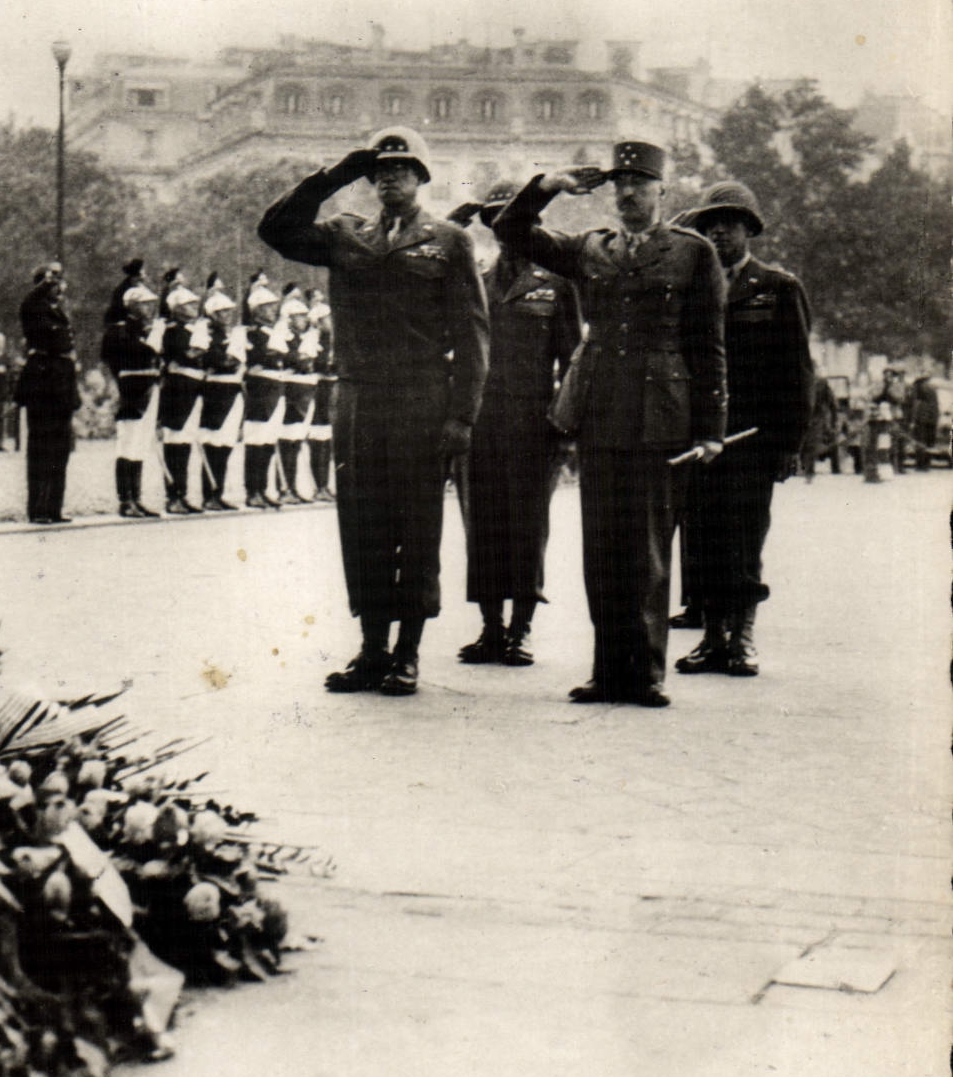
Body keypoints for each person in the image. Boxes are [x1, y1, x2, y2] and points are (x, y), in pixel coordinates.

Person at [492, 140, 727, 707]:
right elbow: (511, 229)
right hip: (599, 410)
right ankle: (606, 670)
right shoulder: (590, 248)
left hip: (659, 414)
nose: (627, 194)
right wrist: (548, 185)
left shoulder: (692, 253)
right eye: (620, 185)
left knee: (645, 548)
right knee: (602, 547)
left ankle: (644, 673)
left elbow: (708, 345)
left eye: (639, 185)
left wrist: (711, 428)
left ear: (661, 192)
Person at [259, 126, 489, 696]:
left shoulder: (450, 240)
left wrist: (462, 416)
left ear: (422, 177)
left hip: (420, 398)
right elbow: (275, 230)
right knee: (362, 523)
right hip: (358, 397)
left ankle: (407, 653)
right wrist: (335, 175)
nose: (391, 178)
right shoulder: (344, 234)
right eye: (380, 170)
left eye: (402, 169)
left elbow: (473, 332)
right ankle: (370, 649)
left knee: (415, 524)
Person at [668, 181, 812, 680]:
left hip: (752, 441)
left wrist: (790, 444)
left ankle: (743, 637)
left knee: (744, 541)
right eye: (710, 224)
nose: (720, 231)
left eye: (730, 222)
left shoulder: (777, 287)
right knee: (702, 540)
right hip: (699, 438)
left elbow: (797, 373)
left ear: (749, 229)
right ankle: (711, 638)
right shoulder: (691, 289)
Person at [446, 180, 583, 668]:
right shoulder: (476, 281)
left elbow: (573, 360)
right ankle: (490, 628)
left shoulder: (556, 283)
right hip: (479, 420)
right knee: (479, 522)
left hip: (533, 422)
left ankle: (521, 629)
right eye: (493, 221)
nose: (502, 232)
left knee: (527, 526)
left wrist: (564, 427)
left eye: (509, 219)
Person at [16, 262, 80, 524]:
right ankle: (39, 507)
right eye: (52, 283)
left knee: (60, 448)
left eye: (59, 283)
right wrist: (45, 281)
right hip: (42, 383)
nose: (58, 288)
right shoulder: (33, 309)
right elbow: (28, 302)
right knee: (41, 446)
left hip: (61, 384)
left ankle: (54, 506)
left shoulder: (59, 313)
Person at [102, 283, 162, 517]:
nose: (149, 309)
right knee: (127, 444)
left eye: (150, 304)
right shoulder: (121, 330)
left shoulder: (148, 329)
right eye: (144, 304)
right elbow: (120, 357)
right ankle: (125, 499)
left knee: (141, 444)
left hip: (150, 386)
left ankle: (136, 497)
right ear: (132, 306)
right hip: (131, 389)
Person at [156, 271, 209, 516]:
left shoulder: (193, 329)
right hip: (177, 388)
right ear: (176, 308)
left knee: (185, 441)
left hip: (193, 386)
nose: (193, 308)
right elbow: (185, 355)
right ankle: (173, 495)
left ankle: (183, 493)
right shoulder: (172, 330)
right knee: (175, 440)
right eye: (188, 304)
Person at [197, 272, 245, 511]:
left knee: (226, 444)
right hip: (215, 390)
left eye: (229, 311)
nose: (227, 315)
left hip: (233, 389)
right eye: (222, 312)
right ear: (213, 314)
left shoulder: (232, 334)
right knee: (213, 442)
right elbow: (214, 359)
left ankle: (219, 491)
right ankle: (209, 493)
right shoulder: (206, 333)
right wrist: (228, 360)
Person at [239, 274, 288, 510]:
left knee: (268, 441)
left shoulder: (274, 333)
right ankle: (252, 490)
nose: (272, 312)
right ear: (256, 311)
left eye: (273, 307)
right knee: (256, 440)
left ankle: (264, 487)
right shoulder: (251, 333)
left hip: (275, 388)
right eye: (267, 308)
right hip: (260, 390)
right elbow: (256, 357)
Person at [274, 287, 322, 504]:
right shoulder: (283, 337)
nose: (303, 319)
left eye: (304, 315)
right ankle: (286, 487)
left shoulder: (308, 337)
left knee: (296, 439)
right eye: (298, 316)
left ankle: (293, 487)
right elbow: (291, 358)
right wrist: (301, 360)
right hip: (291, 390)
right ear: (289, 319)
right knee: (288, 439)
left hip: (306, 389)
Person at [306, 289, 337, 502]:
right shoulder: (313, 339)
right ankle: (320, 485)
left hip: (333, 390)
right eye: (325, 319)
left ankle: (326, 485)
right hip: (319, 390)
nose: (330, 321)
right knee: (319, 438)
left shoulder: (335, 340)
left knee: (330, 439)